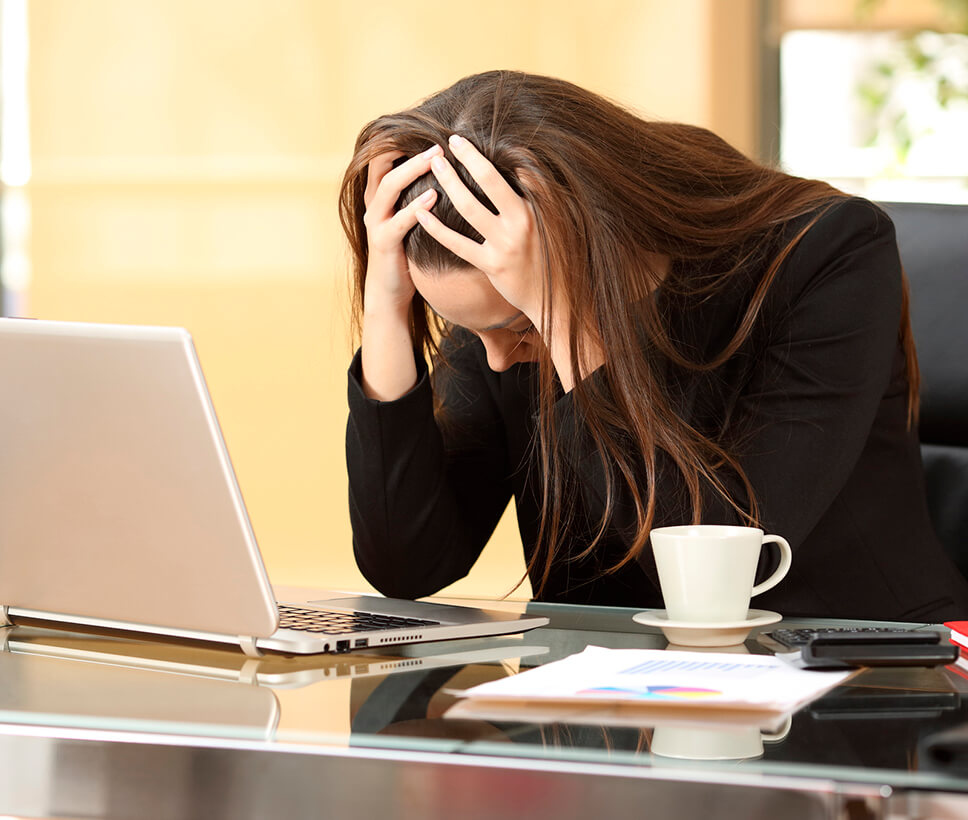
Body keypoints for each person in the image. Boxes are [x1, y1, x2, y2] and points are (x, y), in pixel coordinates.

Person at [339, 70, 968, 621]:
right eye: (473, 333)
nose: (497, 361)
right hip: (610, 688)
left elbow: (718, 560)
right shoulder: (502, 290)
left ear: (596, 250)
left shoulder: (827, 254)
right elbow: (409, 566)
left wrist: (565, 320)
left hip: (852, 672)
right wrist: (388, 309)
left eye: (517, 329)